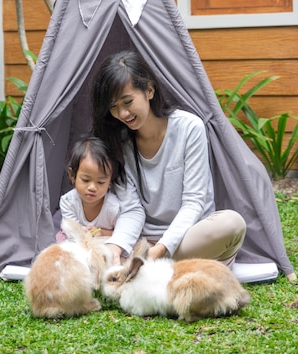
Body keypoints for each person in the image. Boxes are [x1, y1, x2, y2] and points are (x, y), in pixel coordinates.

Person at [91, 50, 247, 267]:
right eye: (114, 107)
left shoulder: (189, 128)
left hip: (187, 237)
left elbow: (194, 203)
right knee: (92, 250)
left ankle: (146, 269)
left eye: (127, 101)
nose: (123, 114)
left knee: (231, 224)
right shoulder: (119, 143)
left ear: (150, 90)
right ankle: (155, 270)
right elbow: (132, 209)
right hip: (143, 242)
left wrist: (159, 251)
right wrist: (117, 246)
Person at [57, 136, 144, 253]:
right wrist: (83, 233)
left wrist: (102, 232)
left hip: (104, 246)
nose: (92, 187)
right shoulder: (68, 201)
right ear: (73, 175)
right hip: (77, 244)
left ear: (109, 183)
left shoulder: (113, 207)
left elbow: (122, 234)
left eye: (101, 182)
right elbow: (71, 231)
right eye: (86, 180)